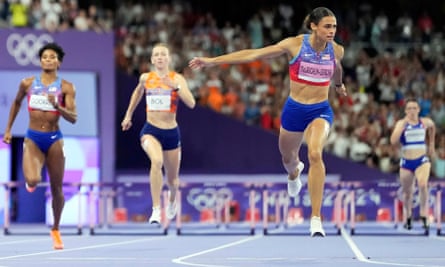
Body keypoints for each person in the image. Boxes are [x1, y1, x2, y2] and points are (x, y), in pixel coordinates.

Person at [189, 7, 347, 237]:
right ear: (313, 26)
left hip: (320, 110)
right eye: (327, 26)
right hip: (294, 110)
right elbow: (254, 54)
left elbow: (337, 68)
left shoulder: (337, 50)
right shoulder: (294, 45)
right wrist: (212, 61)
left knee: (315, 154)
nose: (332, 31)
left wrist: (338, 85)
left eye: (334, 26)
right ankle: (294, 173)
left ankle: (315, 218)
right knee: (288, 157)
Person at [2, 42, 77, 249]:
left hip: (54, 138)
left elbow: (73, 117)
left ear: (58, 62)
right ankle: (32, 181)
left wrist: (57, 106)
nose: (48, 60)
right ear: (40, 61)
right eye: (45, 57)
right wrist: (8, 129)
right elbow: (16, 103)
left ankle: (56, 228)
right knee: (33, 179)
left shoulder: (66, 87)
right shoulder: (27, 83)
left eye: (52, 57)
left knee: (57, 188)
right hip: (33, 137)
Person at [121, 43, 196, 224]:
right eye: (157, 55)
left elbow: (192, 103)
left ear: (168, 59)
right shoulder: (146, 78)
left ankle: (171, 200)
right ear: (152, 60)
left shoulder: (177, 78)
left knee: (173, 181)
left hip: (171, 133)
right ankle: (156, 210)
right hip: (150, 130)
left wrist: (175, 87)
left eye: (163, 54)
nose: (160, 57)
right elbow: (137, 94)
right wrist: (128, 115)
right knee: (156, 161)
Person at [390, 98, 436, 230]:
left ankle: (423, 215)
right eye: (409, 108)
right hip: (406, 162)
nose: (412, 111)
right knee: (407, 192)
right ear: (405, 111)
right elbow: (393, 141)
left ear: (419, 110)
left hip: (421, 159)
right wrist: (402, 125)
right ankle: (408, 217)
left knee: (422, 184)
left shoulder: (424, 122)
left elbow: (432, 127)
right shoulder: (401, 123)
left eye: (414, 108)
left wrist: (431, 144)